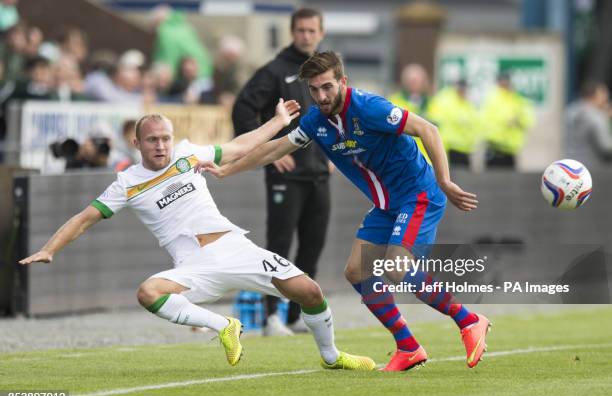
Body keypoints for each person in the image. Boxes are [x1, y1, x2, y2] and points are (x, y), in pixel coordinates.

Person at [19, 98, 375, 371]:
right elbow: (84, 218)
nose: (161, 146)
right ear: (137, 142)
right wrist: (50, 249)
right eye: (153, 140)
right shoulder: (126, 184)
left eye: (165, 139)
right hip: (194, 265)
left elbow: (238, 147)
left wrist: (278, 122)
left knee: (309, 291)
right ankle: (224, 325)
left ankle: (331, 356)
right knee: (148, 292)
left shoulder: (187, 154)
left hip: (234, 247)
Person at [203, 51, 491, 371]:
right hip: (386, 205)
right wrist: (228, 170)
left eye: (327, 87)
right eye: (314, 90)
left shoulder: (369, 107)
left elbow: (429, 130)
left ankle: (469, 320)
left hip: (418, 195)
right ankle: (408, 346)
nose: (321, 96)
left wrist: (445, 181)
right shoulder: (315, 121)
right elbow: (274, 148)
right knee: (356, 271)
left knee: (397, 267)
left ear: (343, 82)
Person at [232, 8, 331, 336]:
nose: (306, 36)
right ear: (293, 32)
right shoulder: (274, 71)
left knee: (311, 248)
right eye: (300, 30)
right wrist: (267, 153)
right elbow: (243, 109)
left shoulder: (323, 73)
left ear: (321, 32)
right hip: (286, 177)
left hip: (318, 175)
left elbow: (335, 117)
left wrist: (336, 152)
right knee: (279, 247)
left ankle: (295, 315)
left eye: (311, 30)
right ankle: (272, 315)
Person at [480, 72, 534, 168]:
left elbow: (528, 119)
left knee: (510, 179)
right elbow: (487, 120)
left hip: (510, 149)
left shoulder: (517, 99)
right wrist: (508, 120)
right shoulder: (493, 98)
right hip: (495, 147)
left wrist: (518, 121)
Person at [426, 79, 482, 167]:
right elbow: (434, 120)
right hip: (448, 147)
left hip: (465, 148)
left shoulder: (467, 102)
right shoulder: (444, 99)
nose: (463, 92)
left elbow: (475, 123)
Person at [388, 63, 432, 162]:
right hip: (405, 162)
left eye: (418, 81)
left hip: (430, 162)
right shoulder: (394, 102)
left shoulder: (433, 103)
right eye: (412, 81)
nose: (415, 84)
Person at [566, 80, 612, 167]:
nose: (605, 98)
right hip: (592, 167)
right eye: (603, 95)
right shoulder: (596, 115)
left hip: (569, 163)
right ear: (595, 95)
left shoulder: (570, 111)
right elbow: (605, 146)